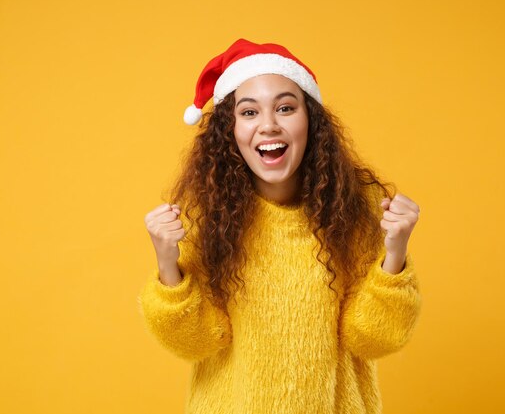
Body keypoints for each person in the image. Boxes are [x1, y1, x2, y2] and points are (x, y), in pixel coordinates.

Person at [138, 38, 422, 414]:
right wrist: (167, 263)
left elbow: (372, 339)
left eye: (286, 108)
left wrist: (395, 254)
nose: (269, 125)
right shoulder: (205, 217)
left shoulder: (357, 209)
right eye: (249, 112)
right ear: (230, 130)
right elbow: (196, 342)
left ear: (311, 120)